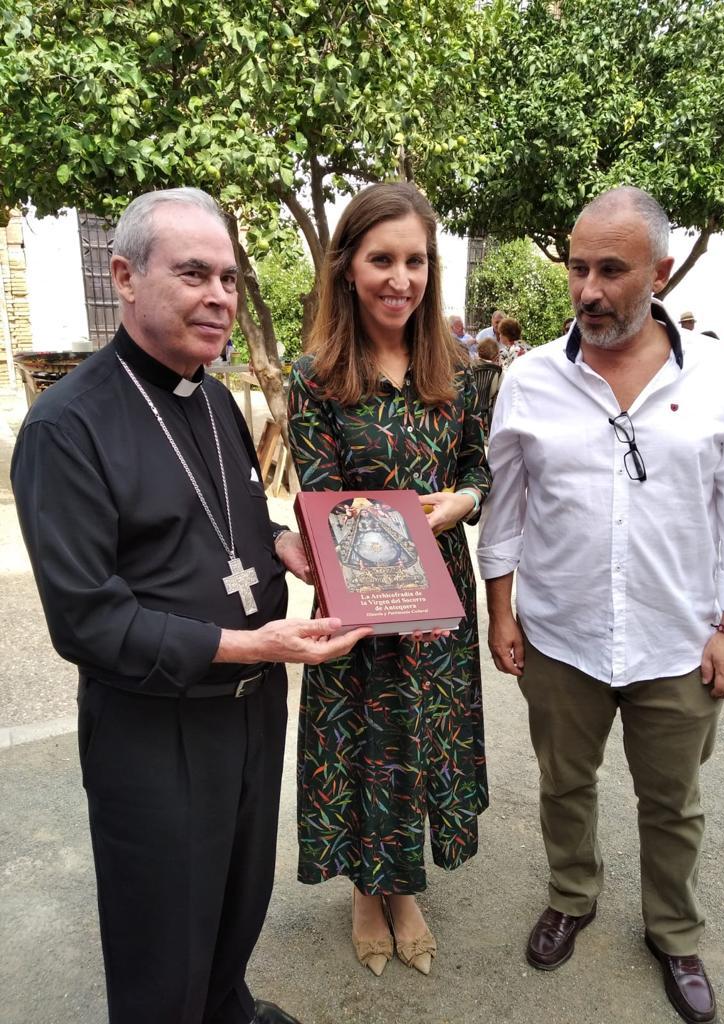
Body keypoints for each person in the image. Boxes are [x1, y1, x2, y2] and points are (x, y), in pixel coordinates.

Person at [11, 188, 371, 1024]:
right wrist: (256, 647)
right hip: (154, 725)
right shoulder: (66, 428)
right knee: (160, 936)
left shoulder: (212, 398)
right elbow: (87, 623)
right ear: (126, 277)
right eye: (194, 274)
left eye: (229, 278)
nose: (219, 295)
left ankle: (227, 1009)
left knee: (235, 902)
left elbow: (226, 529)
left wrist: (283, 543)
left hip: (248, 716)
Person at [477, 186, 724, 1024]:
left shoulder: (714, 375)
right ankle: (573, 893)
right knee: (566, 782)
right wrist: (501, 609)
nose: (589, 290)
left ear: (660, 273)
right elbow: (507, 505)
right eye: (577, 268)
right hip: (560, 632)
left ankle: (673, 933)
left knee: (672, 800)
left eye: (612, 270)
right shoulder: (529, 379)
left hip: (676, 640)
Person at [287, 182, 491, 979]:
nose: (398, 278)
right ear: (346, 267)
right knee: (363, 744)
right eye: (381, 259)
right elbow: (318, 491)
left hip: (439, 594)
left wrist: (462, 500)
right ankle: (364, 896)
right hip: (360, 590)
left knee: (416, 741)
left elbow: (478, 464)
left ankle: (402, 889)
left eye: (413, 260)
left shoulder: (458, 371)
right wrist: (385, 523)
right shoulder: (316, 377)